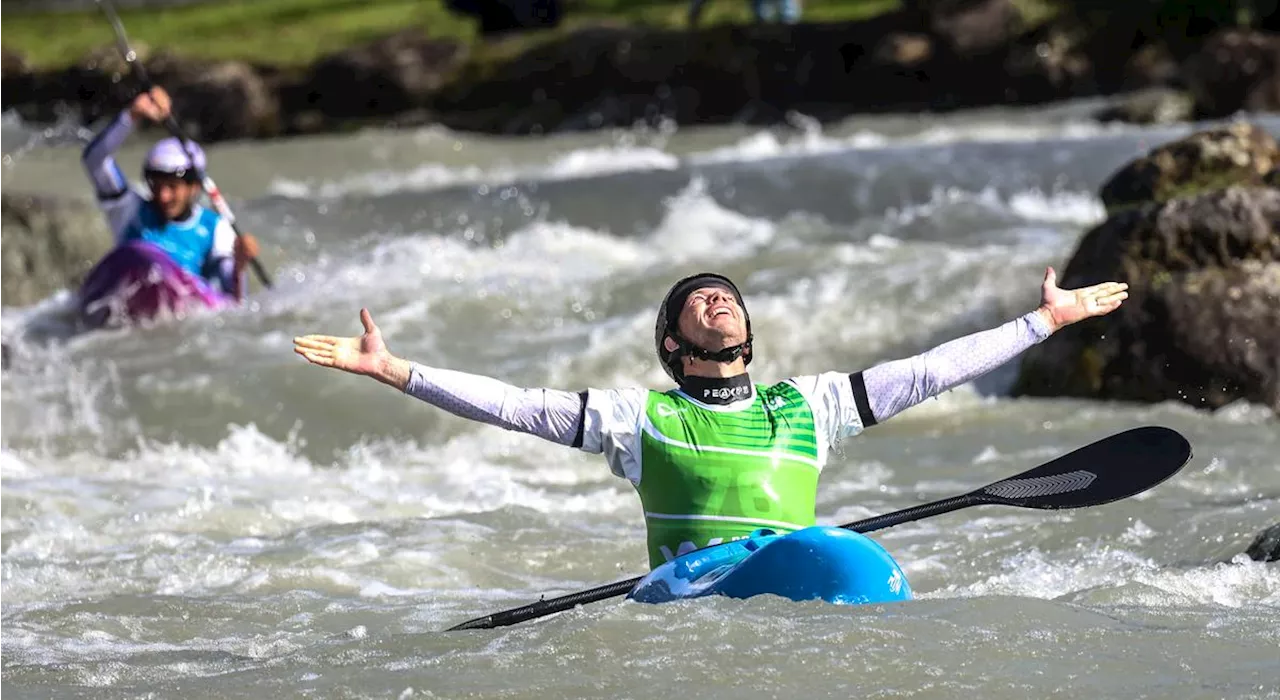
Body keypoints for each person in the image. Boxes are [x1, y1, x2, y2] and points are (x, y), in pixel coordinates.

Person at [292, 268, 1127, 569]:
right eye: (700, 301)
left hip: (799, 566)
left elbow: (931, 370)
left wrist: (1043, 324)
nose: (719, 299)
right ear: (673, 342)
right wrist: (395, 370)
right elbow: (515, 406)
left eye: (727, 296)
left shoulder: (812, 405)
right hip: (689, 593)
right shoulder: (637, 418)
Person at [81, 86, 259, 305]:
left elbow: (235, 301)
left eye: (173, 187)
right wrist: (132, 116)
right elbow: (95, 161)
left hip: (181, 312)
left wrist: (240, 266)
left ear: (194, 187)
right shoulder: (128, 209)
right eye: (156, 186)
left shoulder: (216, 228)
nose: (163, 196)